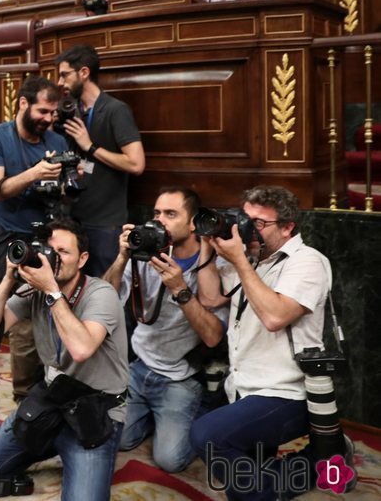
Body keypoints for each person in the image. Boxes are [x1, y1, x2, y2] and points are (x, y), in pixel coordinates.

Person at [0, 218, 128, 501]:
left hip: (95, 408)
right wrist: (9, 279)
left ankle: (66, 446)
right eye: (49, 249)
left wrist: (53, 293)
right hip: (52, 399)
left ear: (82, 259)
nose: (53, 257)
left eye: (63, 252)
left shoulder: (101, 294)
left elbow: (81, 349)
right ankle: (52, 441)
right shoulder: (33, 291)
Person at [191, 185, 331, 500]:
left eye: (260, 223)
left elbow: (275, 316)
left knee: (206, 436)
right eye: (246, 218)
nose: (250, 229)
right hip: (242, 389)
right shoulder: (253, 259)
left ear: (287, 227)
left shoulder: (308, 262)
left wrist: (240, 261)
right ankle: (309, 464)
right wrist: (207, 243)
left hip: (288, 393)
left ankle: (314, 462)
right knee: (240, 485)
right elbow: (211, 297)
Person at [102, 187, 226, 472]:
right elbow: (105, 303)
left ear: (193, 222)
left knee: (170, 460)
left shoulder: (211, 266)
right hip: (138, 367)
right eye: (156, 213)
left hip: (180, 377)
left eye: (171, 214)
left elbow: (212, 336)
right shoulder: (145, 252)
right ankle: (151, 417)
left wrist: (180, 289)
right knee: (112, 438)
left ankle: (205, 410)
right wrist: (122, 257)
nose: (159, 221)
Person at [0, 75, 70, 401]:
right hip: (11, 239)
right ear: (23, 103)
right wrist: (35, 174)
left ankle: (52, 388)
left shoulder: (57, 142)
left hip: (52, 237)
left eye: (54, 113)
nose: (49, 119)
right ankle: (24, 396)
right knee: (23, 327)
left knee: (57, 315)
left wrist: (68, 182)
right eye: (43, 111)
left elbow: (65, 192)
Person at [55, 44, 145, 278]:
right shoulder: (72, 112)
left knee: (107, 293)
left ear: (83, 73)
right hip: (72, 220)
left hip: (105, 224)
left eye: (65, 75)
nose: (60, 82)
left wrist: (90, 146)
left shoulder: (115, 110)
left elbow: (136, 164)